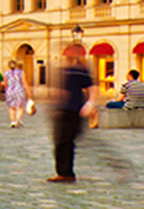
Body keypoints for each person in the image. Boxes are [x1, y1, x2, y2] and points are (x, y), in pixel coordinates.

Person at [47, 44, 96, 183]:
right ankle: (63, 172)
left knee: (65, 142)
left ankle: (66, 173)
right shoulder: (63, 71)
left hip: (73, 110)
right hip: (62, 110)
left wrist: (90, 104)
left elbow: (92, 88)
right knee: (61, 142)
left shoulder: (80, 71)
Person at [4, 61, 30, 127]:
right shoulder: (21, 72)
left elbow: (5, 84)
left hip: (10, 90)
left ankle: (12, 121)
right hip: (19, 90)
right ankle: (18, 118)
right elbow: (24, 82)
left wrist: (6, 91)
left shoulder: (6, 73)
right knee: (20, 106)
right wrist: (28, 91)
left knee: (11, 107)